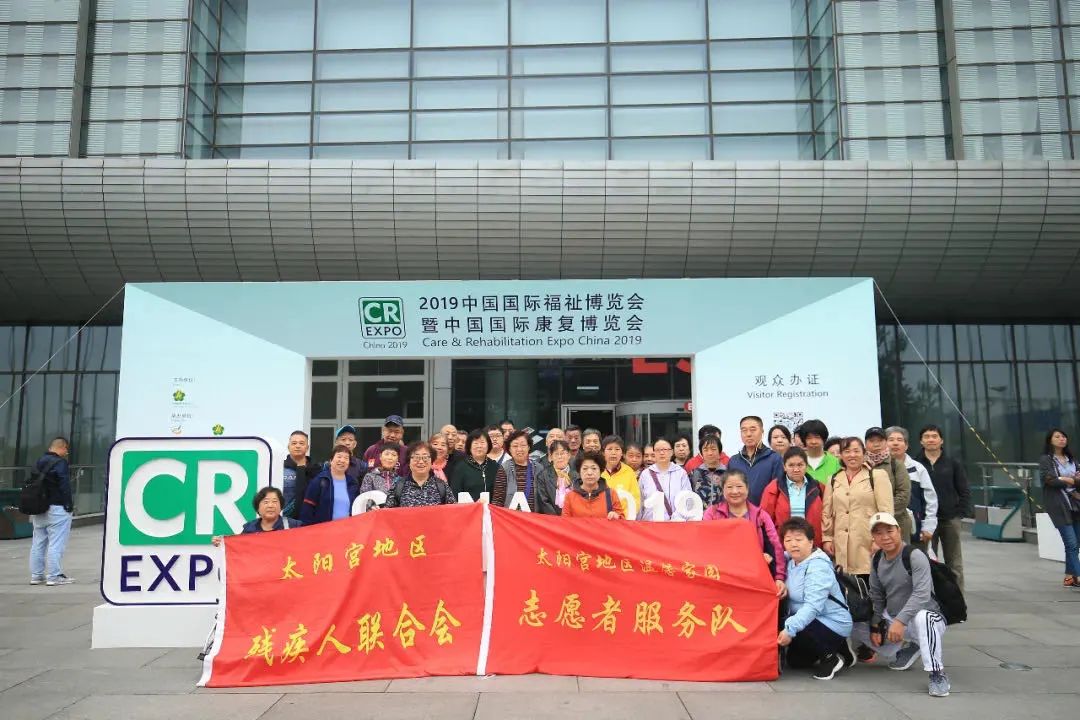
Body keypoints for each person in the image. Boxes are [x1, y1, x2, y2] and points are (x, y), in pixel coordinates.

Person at [851, 513, 951, 698]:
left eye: (889, 531)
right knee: (851, 622)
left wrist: (900, 621)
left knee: (923, 618)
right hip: (895, 618)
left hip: (929, 617)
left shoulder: (915, 556)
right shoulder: (877, 559)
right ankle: (913, 645)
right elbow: (877, 596)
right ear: (873, 537)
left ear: (899, 531)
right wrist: (875, 625)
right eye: (879, 533)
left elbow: (921, 595)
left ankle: (937, 674)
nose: (885, 537)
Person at [777, 517, 855, 680]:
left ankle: (831, 658)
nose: (793, 544)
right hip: (808, 622)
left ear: (811, 542)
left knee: (792, 625)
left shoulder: (818, 566)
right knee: (796, 662)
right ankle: (841, 648)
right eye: (788, 540)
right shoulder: (791, 560)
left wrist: (789, 629)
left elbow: (813, 607)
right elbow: (776, 555)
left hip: (831, 621)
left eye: (799, 539)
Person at [703, 470, 787, 595]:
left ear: (747, 488)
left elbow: (776, 546)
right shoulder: (712, 513)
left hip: (754, 577)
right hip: (722, 577)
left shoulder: (760, 515)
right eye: (729, 487)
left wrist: (779, 577)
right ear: (723, 490)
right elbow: (704, 544)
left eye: (739, 486)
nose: (734, 491)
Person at [821, 437, 893, 576]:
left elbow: (886, 512)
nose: (852, 455)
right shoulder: (834, 479)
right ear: (841, 455)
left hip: (868, 542)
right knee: (845, 581)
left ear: (864, 453)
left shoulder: (877, 476)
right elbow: (827, 512)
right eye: (847, 451)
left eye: (856, 451)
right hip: (841, 545)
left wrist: (880, 540)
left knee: (870, 580)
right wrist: (827, 538)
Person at [914, 424, 971, 591]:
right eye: (926, 437)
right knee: (927, 560)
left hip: (950, 519)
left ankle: (957, 598)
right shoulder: (916, 463)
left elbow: (964, 489)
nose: (930, 439)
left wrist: (960, 513)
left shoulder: (952, 463)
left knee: (954, 561)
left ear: (941, 440)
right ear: (921, 441)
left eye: (934, 436)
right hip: (926, 520)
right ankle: (933, 597)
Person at [28, 437, 74, 586]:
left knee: (38, 542)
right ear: (62, 447)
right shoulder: (60, 463)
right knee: (56, 543)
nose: (66, 453)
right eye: (66, 449)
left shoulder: (38, 462)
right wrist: (69, 505)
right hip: (57, 508)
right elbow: (64, 485)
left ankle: (37, 575)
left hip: (39, 507)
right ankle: (54, 576)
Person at [885, 426, 939, 551]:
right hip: (886, 528)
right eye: (891, 440)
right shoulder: (877, 468)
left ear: (906, 445)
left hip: (915, 529)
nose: (895, 443)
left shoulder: (918, 468)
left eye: (899, 440)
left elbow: (930, 499)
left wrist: (928, 527)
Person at [1038, 428, 1080, 587]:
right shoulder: (1046, 460)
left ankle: (1069, 577)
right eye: (1057, 436)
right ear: (1050, 440)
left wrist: (1066, 479)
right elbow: (1050, 480)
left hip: (1076, 504)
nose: (1061, 439)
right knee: (1071, 543)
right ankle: (1078, 576)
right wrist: (1070, 480)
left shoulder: (1072, 460)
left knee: (1076, 543)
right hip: (1058, 505)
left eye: (1063, 436)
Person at [760, 447, 824, 547]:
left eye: (800, 465)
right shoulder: (773, 488)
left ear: (806, 466)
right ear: (784, 467)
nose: (796, 469)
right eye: (791, 465)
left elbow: (827, 518)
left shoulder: (818, 487)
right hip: (784, 546)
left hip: (812, 545)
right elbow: (764, 520)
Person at [865, 427, 913, 543]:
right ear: (865, 444)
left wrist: (881, 516)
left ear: (886, 442)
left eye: (880, 440)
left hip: (896, 523)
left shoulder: (896, 465)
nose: (876, 444)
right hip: (866, 523)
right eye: (872, 441)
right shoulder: (861, 465)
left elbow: (903, 495)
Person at [212, 487, 304, 545]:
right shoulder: (249, 528)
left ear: (281, 507)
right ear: (258, 508)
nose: (270, 505)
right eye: (266, 502)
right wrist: (223, 542)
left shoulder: (293, 525)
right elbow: (238, 545)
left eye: (275, 502)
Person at [727, 415, 784, 505]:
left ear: (762, 432)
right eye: (744, 430)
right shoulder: (733, 461)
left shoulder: (775, 459)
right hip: (738, 511)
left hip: (765, 511)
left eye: (753, 430)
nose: (748, 434)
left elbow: (779, 491)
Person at [385, 441, 456, 508]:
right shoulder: (398, 485)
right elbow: (387, 513)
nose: (421, 462)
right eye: (416, 457)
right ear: (409, 462)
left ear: (432, 461)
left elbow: (453, 511)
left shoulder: (441, 486)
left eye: (425, 457)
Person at [301, 444, 360, 524]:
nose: (342, 460)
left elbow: (357, 508)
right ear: (331, 460)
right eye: (339, 457)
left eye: (346, 458)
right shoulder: (320, 480)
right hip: (323, 529)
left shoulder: (352, 483)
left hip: (347, 528)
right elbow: (307, 508)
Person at [639, 437, 694, 521]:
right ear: (654, 453)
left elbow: (687, 499)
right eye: (658, 450)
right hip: (650, 525)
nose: (661, 453)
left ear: (672, 452)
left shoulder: (680, 473)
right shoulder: (645, 474)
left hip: (675, 524)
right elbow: (640, 502)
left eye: (665, 449)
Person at [562, 451, 625, 519]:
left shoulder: (611, 494)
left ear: (600, 471)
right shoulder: (570, 496)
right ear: (579, 472)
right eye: (585, 468)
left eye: (594, 468)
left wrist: (617, 516)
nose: (589, 473)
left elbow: (622, 520)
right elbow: (565, 522)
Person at [449, 429, 503, 501]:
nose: (479, 446)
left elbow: (500, 494)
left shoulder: (495, 467)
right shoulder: (460, 468)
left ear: (488, 445)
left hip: (491, 507)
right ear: (469, 446)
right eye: (475, 443)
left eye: (482, 442)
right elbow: (454, 495)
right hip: (468, 507)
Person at [496, 430, 544, 509]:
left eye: (523, 445)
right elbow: (498, 500)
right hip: (511, 516)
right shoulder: (504, 468)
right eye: (515, 446)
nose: (519, 449)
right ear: (509, 449)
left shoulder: (539, 468)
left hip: (534, 516)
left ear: (528, 447)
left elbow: (544, 498)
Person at [600, 435, 642, 518]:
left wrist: (622, 516)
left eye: (617, 449)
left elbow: (635, 500)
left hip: (622, 520)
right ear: (603, 453)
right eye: (609, 449)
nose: (613, 452)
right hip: (600, 520)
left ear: (622, 453)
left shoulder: (629, 472)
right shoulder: (597, 470)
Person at [283, 430, 320, 519]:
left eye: (301, 443)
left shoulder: (317, 470)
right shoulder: (280, 468)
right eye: (294, 443)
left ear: (307, 447)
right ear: (288, 447)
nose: (298, 446)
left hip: (309, 519)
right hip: (285, 520)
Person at [535, 440, 577, 515]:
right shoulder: (542, 476)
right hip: (552, 519)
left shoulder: (577, 476)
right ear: (551, 456)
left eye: (562, 453)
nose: (560, 457)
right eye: (556, 454)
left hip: (573, 518)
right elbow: (543, 501)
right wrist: (557, 519)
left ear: (569, 455)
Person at [358, 442, 400, 511]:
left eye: (394, 455)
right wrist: (371, 507)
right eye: (387, 454)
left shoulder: (400, 480)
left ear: (397, 458)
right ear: (380, 457)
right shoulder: (370, 477)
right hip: (375, 515)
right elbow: (364, 498)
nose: (390, 458)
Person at [798, 420, 841, 486]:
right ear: (804, 440)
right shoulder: (798, 461)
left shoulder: (835, 462)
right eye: (809, 438)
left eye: (817, 437)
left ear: (823, 439)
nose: (813, 441)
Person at [689, 434, 726, 506]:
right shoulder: (695, 474)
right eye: (705, 450)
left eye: (713, 449)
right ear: (701, 453)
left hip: (722, 513)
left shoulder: (728, 473)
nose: (710, 453)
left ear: (720, 452)